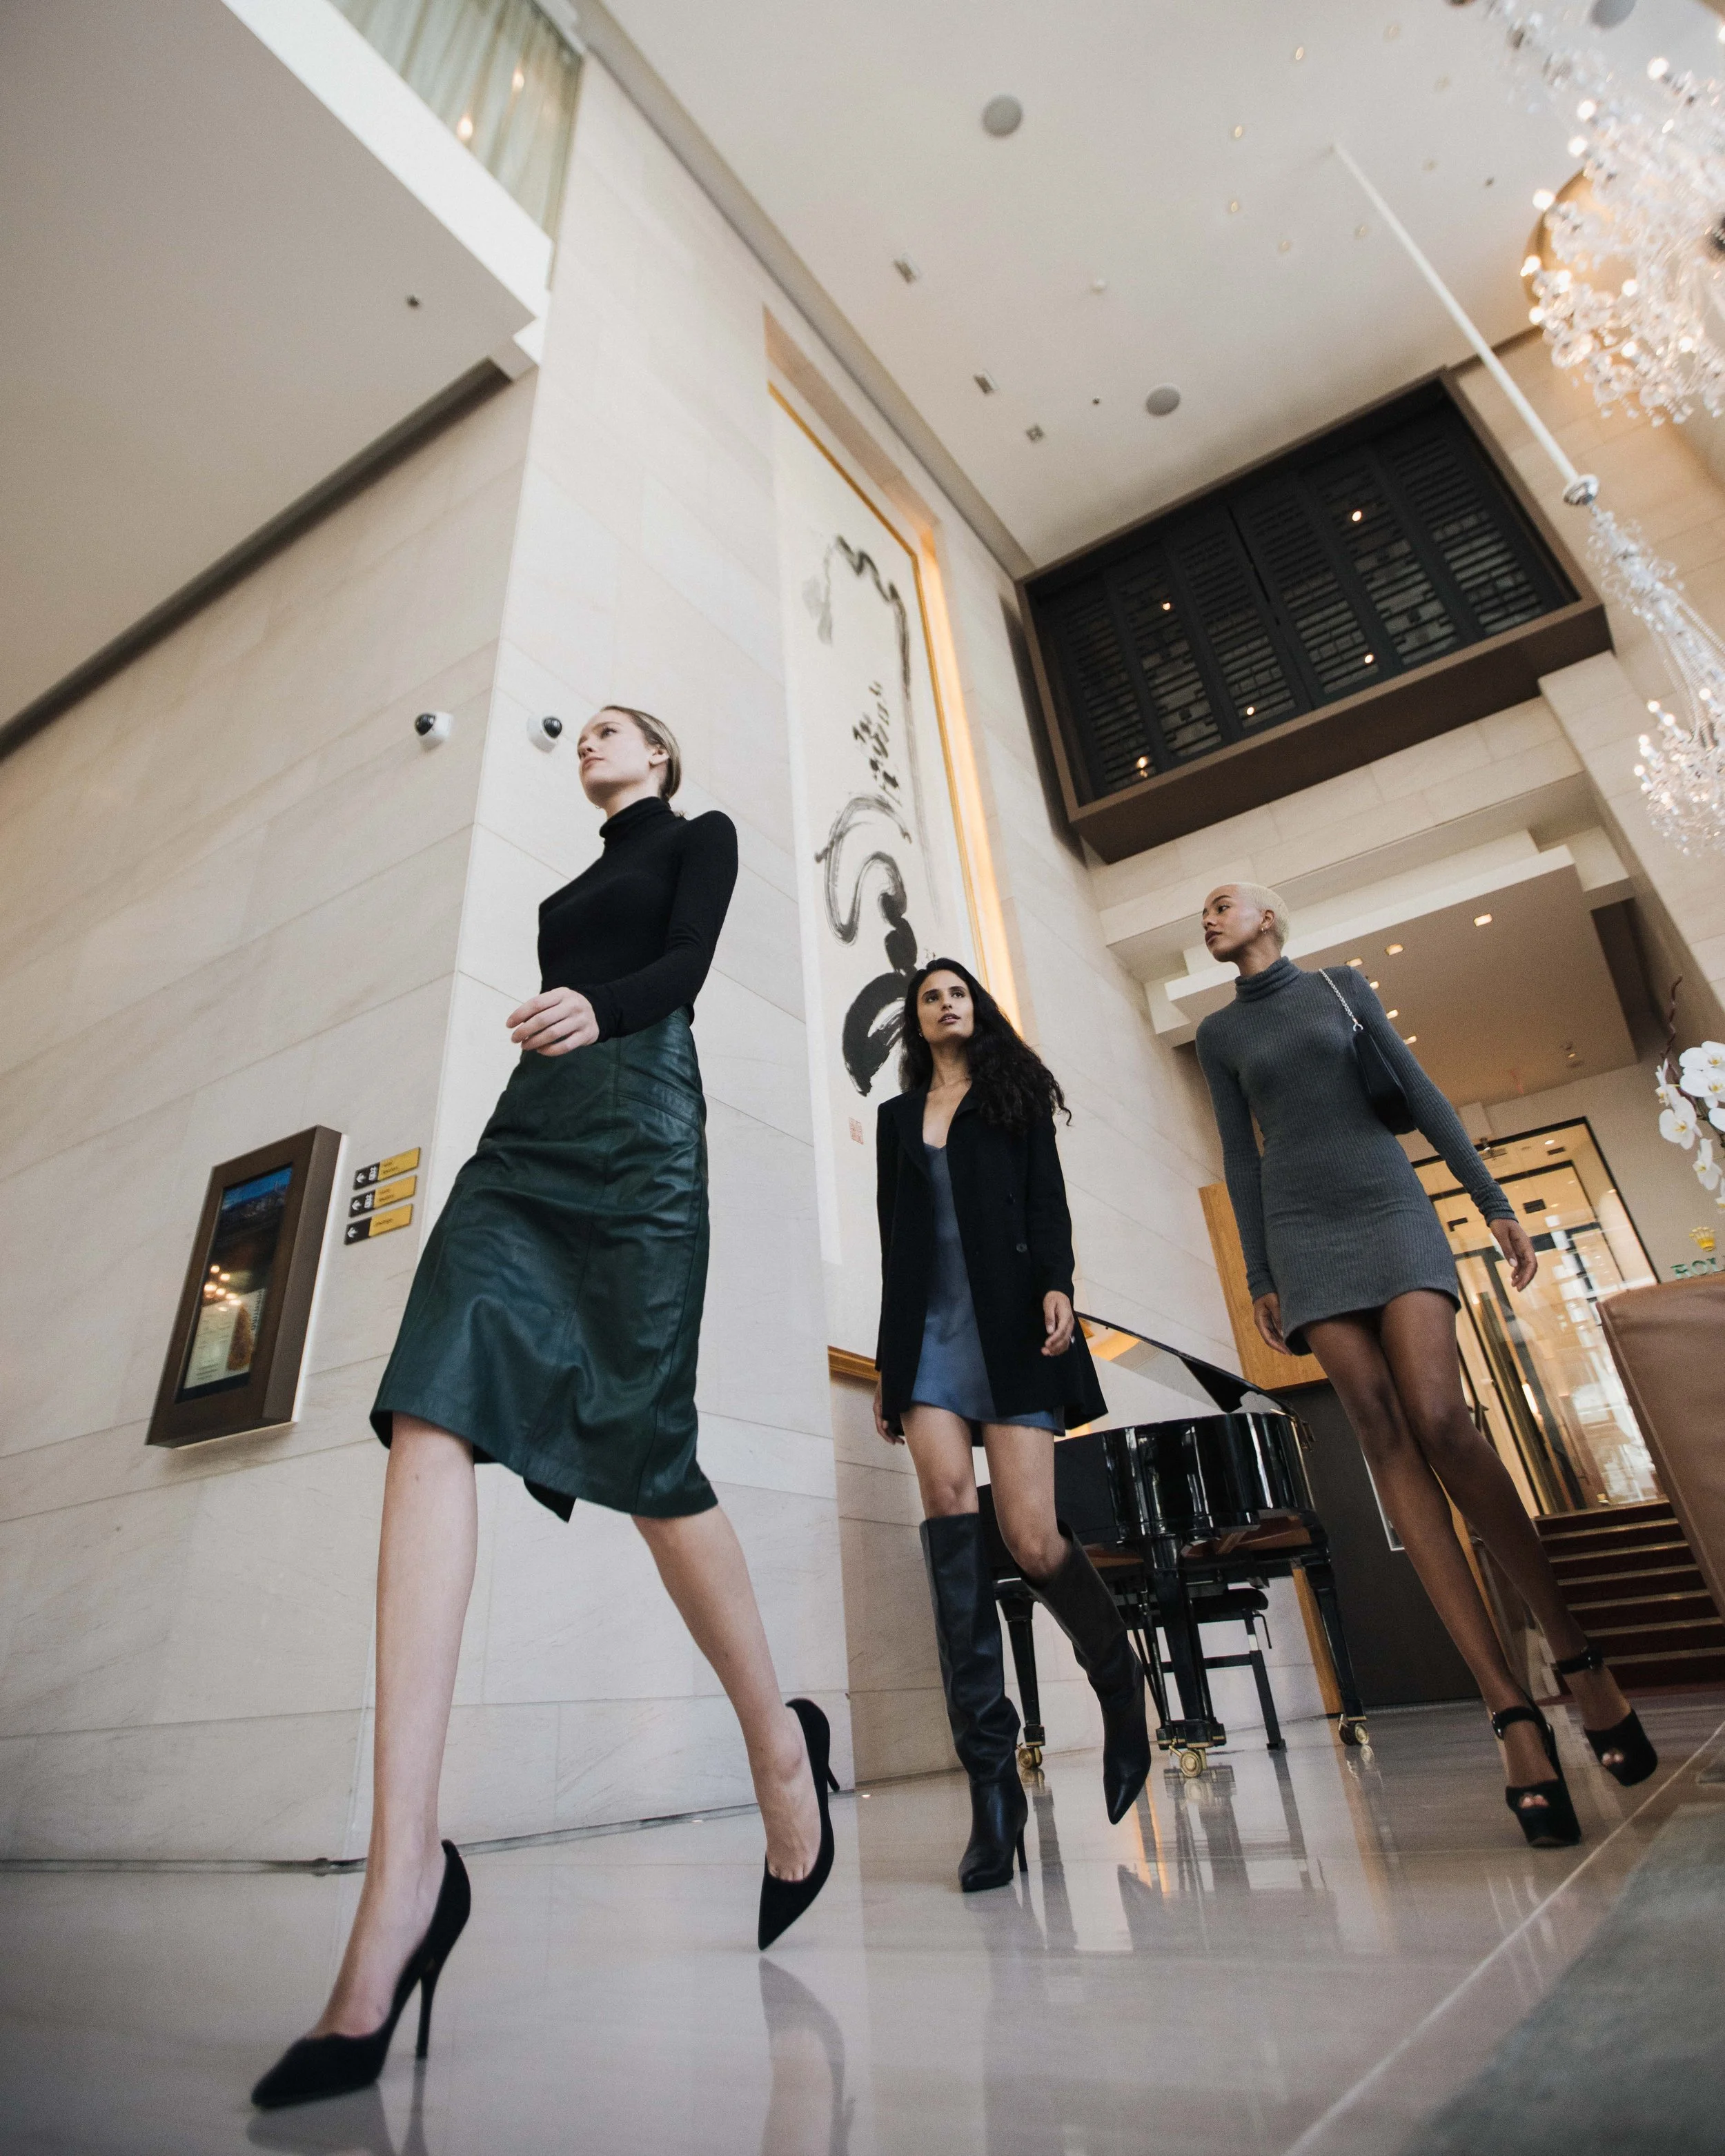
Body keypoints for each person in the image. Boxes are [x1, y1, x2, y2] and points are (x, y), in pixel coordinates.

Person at [252, 708, 836, 2112]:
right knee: (429, 1400)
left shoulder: (700, 836)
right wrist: (565, 1022)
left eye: (619, 728)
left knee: (647, 1457)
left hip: (644, 1130)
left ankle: (781, 1749)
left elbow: (685, 966)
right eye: (585, 730)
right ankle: (403, 1877)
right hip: (529, 1137)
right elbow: (575, 985)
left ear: (664, 758)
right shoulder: (561, 891)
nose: (594, 739)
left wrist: (602, 1009)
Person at [1194, 882, 1657, 1848]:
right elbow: (1241, 1157)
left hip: (1388, 1205)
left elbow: (1421, 1090)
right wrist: (1260, 1274)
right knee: (1378, 1425)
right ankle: (1509, 1711)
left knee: (1441, 1417)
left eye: (1223, 904)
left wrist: (1491, 1200)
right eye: (1204, 912)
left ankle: (1575, 1653)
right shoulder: (1220, 1035)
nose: (1209, 919)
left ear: (1269, 916)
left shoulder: (1339, 986)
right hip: (1302, 1232)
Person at [872, 959, 1150, 1892]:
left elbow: (1046, 1202)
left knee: (1031, 1539)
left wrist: (1058, 1283)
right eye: (930, 996)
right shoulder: (895, 1121)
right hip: (928, 1342)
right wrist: (891, 1364)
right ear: (916, 1021)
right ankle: (992, 1788)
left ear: (977, 1008)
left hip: (1012, 1331)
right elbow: (895, 1245)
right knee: (951, 1529)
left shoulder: (1013, 1098)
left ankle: (1119, 1683)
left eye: (958, 992)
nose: (946, 1004)